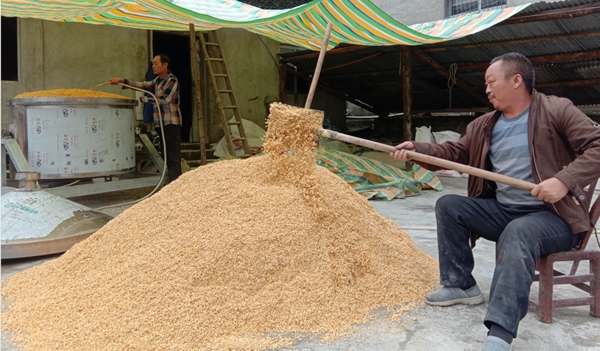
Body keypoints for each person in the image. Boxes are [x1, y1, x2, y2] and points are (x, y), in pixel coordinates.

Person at [391, 52, 600, 351]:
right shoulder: (484, 125)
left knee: (519, 232)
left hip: (554, 217)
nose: (486, 89)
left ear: (516, 80)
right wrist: (417, 150)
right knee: (449, 205)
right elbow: (456, 153)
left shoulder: (557, 111)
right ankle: (460, 284)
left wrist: (563, 181)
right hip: (504, 211)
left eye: (491, 82)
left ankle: (500, 335)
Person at [109, 54, 182, 182]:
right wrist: (123, 81)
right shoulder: (158, 80)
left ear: (165, 65)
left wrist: (145, 99)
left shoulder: (172, 80)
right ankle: (170, 184)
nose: (153, 66)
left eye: (156, 63)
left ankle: (176, 186)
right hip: (160, 124)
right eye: (152, 64)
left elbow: (164, 100)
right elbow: (143, 84)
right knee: (165, 155)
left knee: (173, 157)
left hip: (171, 124)